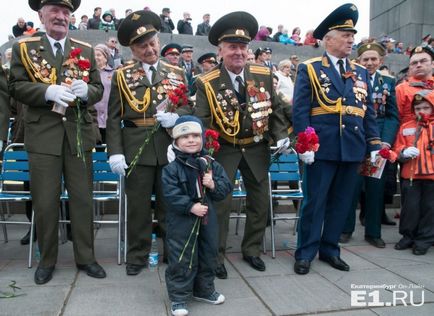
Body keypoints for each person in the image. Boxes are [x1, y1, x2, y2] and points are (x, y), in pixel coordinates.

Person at [8, 0, 106, 285]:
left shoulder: (85, 49)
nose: (61, 17)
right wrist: (46, 91)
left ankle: (86, 257)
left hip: (78, 135)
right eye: (55, 11)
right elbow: (14, 86)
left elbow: (98, 89)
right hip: (43, 137)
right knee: (46, 201)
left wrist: (88, 90)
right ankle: (46, 260)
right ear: (41, 15)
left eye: (66, 12)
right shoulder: (23, 48)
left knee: (83, 200)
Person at [194, 11, 289, 278]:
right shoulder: (206, 82)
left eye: (243, 47)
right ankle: (216, 256)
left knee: (259, 203)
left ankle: (252, 250)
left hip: (257, 148)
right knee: (219, 206)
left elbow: (277, 109)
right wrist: (205, 155)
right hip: (224, 149)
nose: (238, 52)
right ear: (220, 50)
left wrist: (282, 134)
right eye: (232, 47)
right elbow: (203, 120)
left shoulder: (263, 74)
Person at [292, 3, 381, 275]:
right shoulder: (310, 68)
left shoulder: (361, 72)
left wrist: (375, 144)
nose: (351, 39)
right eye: (345, 35)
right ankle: (305, 252)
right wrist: (305, 144)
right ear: (328, 39)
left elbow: (367, 112)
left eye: (352, 35)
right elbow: (300, 110)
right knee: (314, 203)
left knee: (342, 204)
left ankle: (330, 249)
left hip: (352, 148)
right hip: (322, 148)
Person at [106, 10, 192, 276]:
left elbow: (188, 108)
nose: (150, 49)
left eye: (152, 42)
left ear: (158, 40)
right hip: (136, 149)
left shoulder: (176, 72)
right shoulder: (122, 75)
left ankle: (173, 252)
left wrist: (175, 118)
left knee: (171, 204)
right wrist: (116, 153)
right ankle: (137, 255)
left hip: (168, 148)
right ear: (132, 49)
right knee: (139, 207)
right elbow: (112, 118)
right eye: (142, 46)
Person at [162, 115, 232, 316]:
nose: (191, 140)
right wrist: (190, 206)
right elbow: (170, 194)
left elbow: (224, 188)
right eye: (185, 137)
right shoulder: (171, 168)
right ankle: (178, 297)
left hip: (207, 220)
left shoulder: (210, 164)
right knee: (182, 256)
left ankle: (204, 289)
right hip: (182, 221)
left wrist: (213, 184)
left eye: (195, 135)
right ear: (175, 142)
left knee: (209, 251)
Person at [340, 42, 399, 246]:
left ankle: (373, 233)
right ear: (359, 61)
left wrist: (385, 141)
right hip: (356, 141)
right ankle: (345, 229)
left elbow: (392, 116)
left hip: (378, 144)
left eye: (374, 59)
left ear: (380, 61)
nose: (370, 62)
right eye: (366, 59)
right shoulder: (351, 78)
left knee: (376, 188)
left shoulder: (389, 82)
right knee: (351, 187)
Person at [392, 90, 434, 255]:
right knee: (410, 208)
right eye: (417, 109)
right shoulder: (406, 127)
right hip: (411, 176)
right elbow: (397, 148)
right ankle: (408, 236)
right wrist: (404, 151)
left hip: (431, 177)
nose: (421, 111)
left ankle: (424, 239)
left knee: (429, 209)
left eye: (426, 107)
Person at [395, 45, 434, 125]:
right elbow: (395, 119)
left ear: (432, 64)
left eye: (423, 61)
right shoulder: (401, 89)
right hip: (410, 135)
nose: (418, 65)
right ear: (410, 67)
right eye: (414, 63)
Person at [93, 44, 113, 145]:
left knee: (107, 145)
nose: (96, 57)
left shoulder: (114, 74)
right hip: (93, 116)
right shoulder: (89, 73)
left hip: (108, 115)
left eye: (99, 55)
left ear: (106, 58)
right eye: (94, 55)